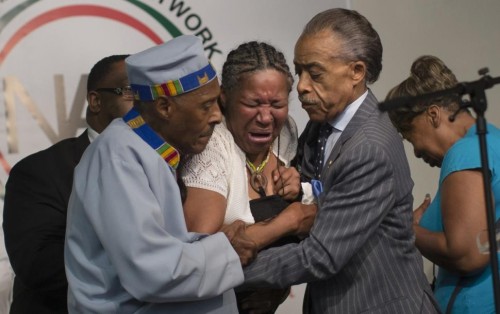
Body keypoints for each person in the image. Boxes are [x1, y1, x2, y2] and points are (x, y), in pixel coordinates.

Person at [242, 8, 439, 313]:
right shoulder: (320, 124)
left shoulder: (370, 147)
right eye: (299, 72)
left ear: (356, 72)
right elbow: (311, 199)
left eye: (315, 73)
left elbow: (321, 255)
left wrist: (223, 269)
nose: (302, 86)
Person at [64, 35, 257, 314]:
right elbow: (153, 272)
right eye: (206, 106)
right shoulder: (118, 157)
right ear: (165, 107)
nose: (217, 116)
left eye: (218, 104)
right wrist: (233, 247)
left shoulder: (148, 149)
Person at [181, 41, 317, 313]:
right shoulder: (211, 148)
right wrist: (289, 220)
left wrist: (277, 288)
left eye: (277, 104)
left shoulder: (286, 134)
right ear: (225, 99)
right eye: (252, 103)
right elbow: (199, 258)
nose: (266, 117)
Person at [3, 54, 133, 313]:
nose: (147, 104)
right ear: (95, 101)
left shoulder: (176, 163)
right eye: (131, 92)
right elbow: (41, 268)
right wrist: (147, 265)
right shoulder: (39, 173)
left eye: (152, 94)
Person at [385, 55, 500, 313]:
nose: (414, 151)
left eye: (409, 134)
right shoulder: (492, 140)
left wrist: (402, 227)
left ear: (433, 115)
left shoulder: (464, 153)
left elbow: (465, 254)